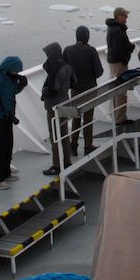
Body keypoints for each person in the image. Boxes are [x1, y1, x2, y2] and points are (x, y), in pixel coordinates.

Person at [0, 55, 27, 189]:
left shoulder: (10, 78)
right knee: (0, 148)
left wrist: (21, 85)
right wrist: (2, 113)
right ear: (9, 68)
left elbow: (13, 92)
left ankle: (6, 173)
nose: (17, 73)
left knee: (9, 145)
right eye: (16, 70)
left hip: (7, 116)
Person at [63, 25, 104, 153]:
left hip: (75, 90)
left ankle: (73, 145)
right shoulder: (91, 51)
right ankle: (88, 145)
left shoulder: (67, 50)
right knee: (88, 118)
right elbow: (99, 72)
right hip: (89, 90)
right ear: (87, 36)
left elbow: (64, 70)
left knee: (76, 116)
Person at [38, 42, 74, 176]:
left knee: (55, 136)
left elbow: (53, 89)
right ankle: (67, 161)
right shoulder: (67, 66)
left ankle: (56, 165)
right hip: (65, 102)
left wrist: (44, 90)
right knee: (64, 134)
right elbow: (74, 82)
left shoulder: (55, 68)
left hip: (54, 107)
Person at [105, 8, 136, 126]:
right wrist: (125, 58)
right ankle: (120, 119)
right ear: (118, 16)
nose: (126, 17)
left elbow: (119, 46)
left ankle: (117, 116)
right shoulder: (117, 30)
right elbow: (118, 49)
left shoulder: (114, 28)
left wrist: (128, 48)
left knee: (116, 89)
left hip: (115, 62)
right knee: (121, 90)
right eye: (125, 15)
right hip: (119, 63)